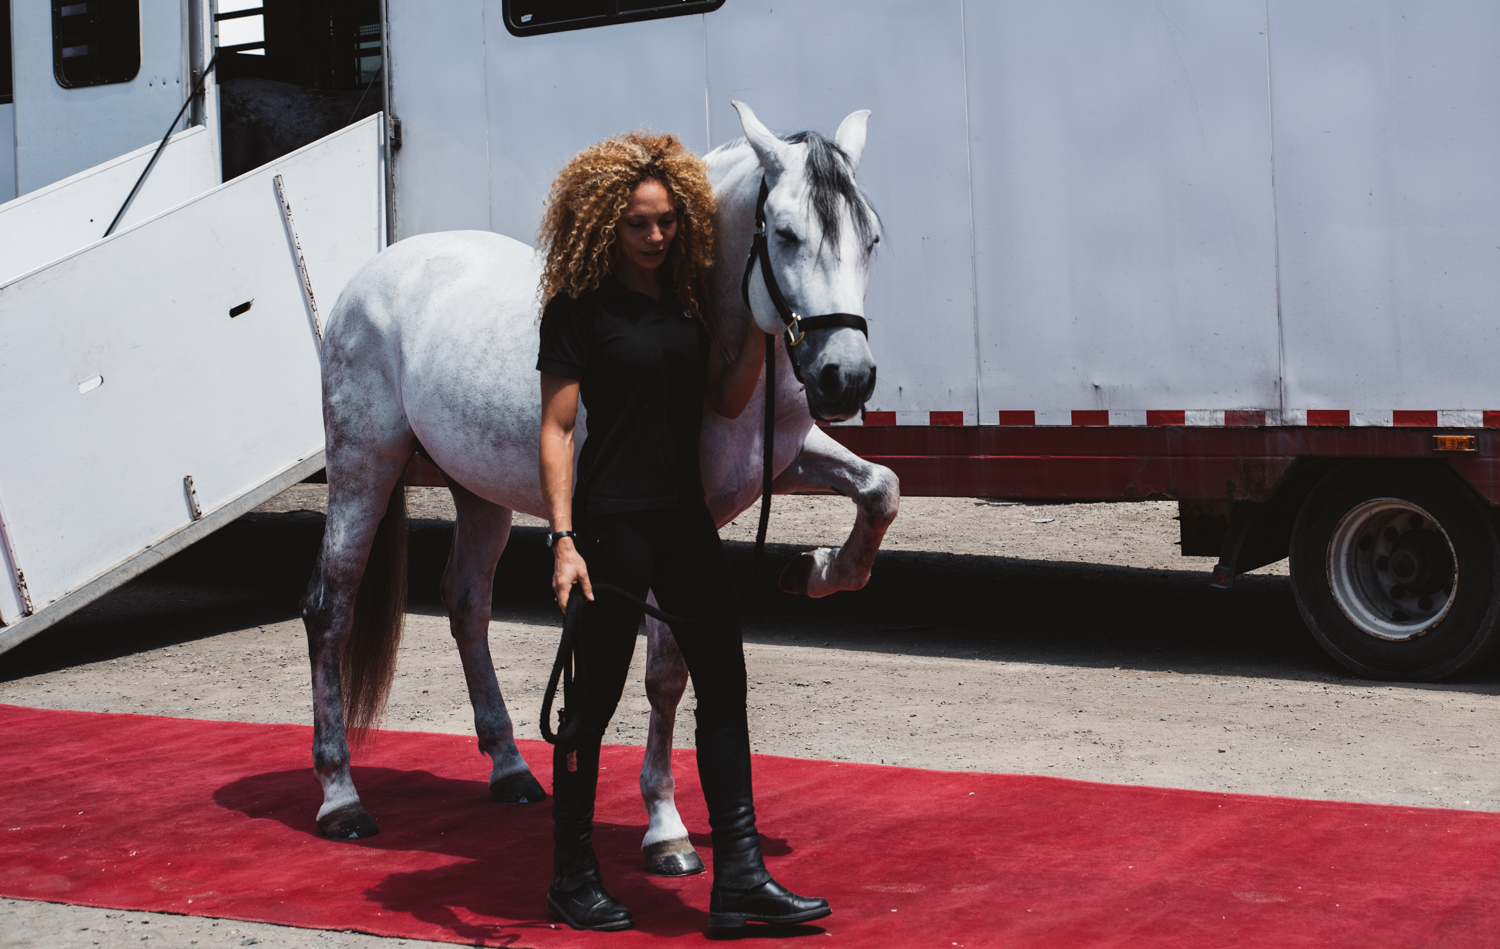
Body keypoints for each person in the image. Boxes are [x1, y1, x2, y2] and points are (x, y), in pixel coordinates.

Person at [536, 131, 831, 932]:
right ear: (607, 224)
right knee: (590, 702)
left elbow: (729, 401)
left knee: (725, 687)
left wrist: (765, 327)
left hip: (683, 519)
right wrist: (562, 538)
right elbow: (558, 429)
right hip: (612, 525)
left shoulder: (685, 307)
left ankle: (739, 878)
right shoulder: (576, 311)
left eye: (667, 221)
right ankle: (570, 873)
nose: (657, 236)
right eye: (639, 223)